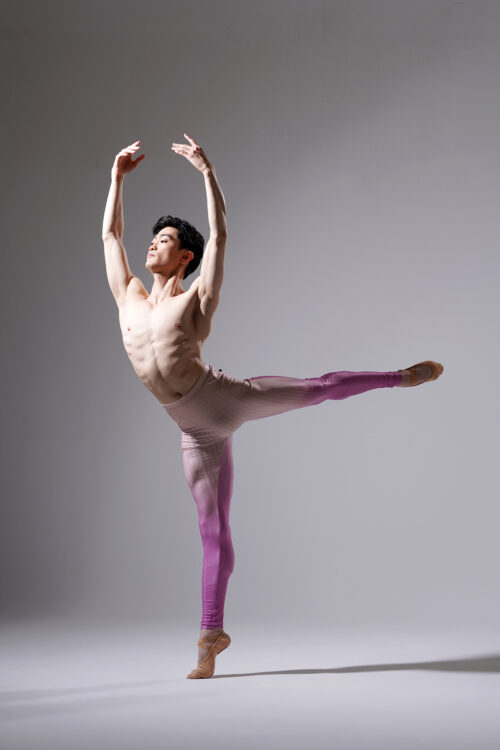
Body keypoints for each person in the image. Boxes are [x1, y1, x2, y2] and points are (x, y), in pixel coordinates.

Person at [101, 135, 444, 679]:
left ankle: (399, 376)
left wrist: (207, 171)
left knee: (317, 387)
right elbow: (110, 235)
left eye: (164, 240)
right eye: (153, 238)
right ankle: (211, 636)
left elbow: (220, 236)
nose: (152, 245)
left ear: (184, 256)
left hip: (224, 398)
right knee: (213, 531)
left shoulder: (195, 300)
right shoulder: (130, 297)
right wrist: (117, 179)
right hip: (193, 431)